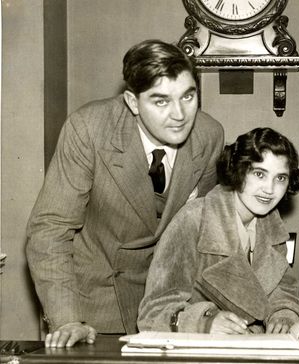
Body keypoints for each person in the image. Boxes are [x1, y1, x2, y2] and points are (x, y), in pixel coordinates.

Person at [26, 39, 224, 347]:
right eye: (160, 101)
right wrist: (67, 320)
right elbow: (49, 230)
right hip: (93, 304)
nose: (180, 115)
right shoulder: (88, 128)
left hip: (168, 305)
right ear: (132, 102)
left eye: (188, 96)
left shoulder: (210, 135)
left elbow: (202, 228)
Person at [138, 127, 299, 334]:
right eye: (259, 174)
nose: (269, 189)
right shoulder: (193, 220)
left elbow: (282, 289)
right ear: (238, 170)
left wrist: (283, 314)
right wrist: (204, 321)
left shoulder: (272, 227)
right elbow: (152, 313)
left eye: (280, 178)